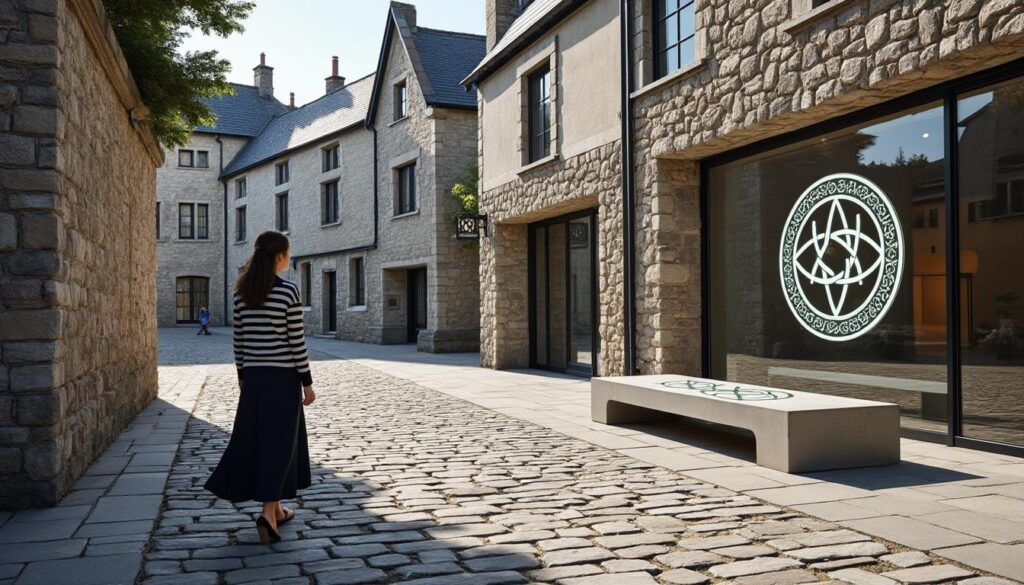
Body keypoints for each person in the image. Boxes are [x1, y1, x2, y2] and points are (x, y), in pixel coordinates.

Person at [204, 230, 316, 545]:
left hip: (253, 378)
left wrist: (243, 375)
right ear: (279, 256)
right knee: (280, 445)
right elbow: (296, 342)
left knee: (261, 441)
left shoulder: (241, 292)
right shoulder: (288, 292)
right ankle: (268, 513)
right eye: (288, 253)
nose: (290, 258)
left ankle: (278, 509)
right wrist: (307, 383)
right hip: (282, 379)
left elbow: (239, 341)